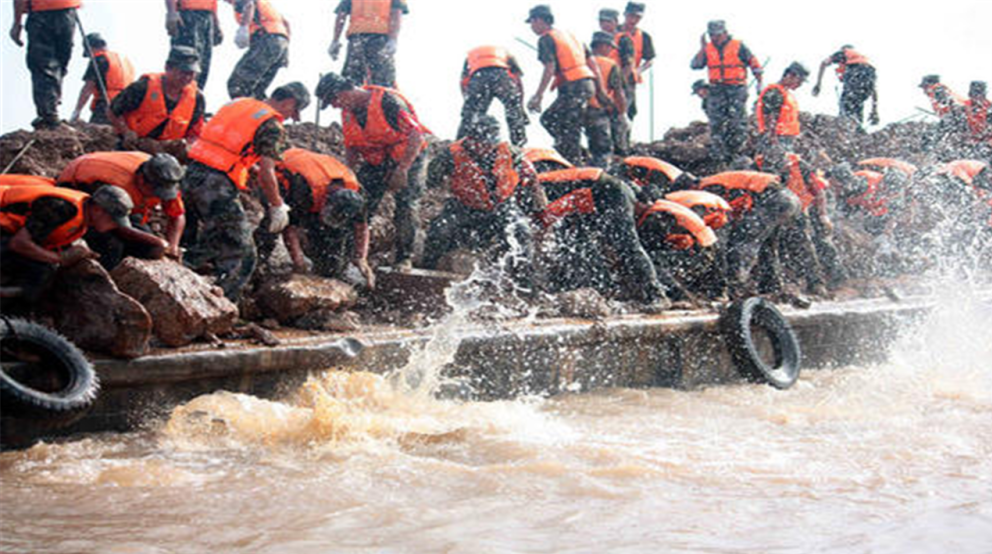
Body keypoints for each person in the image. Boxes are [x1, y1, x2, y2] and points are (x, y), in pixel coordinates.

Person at [182, 82, 309, 301]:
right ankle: (223, 309)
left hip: (191, 175)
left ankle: (178, 285)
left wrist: (248, 167)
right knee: (244, 254)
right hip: (216, 185)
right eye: (295, 111)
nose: (294, 118)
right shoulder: (271, 124)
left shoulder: (239, 104)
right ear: (289, 101)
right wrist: (277, 206)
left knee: (211, 240)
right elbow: (268, 172)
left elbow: (228, 146)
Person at [315, 73, 429, 270]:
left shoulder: (388, 101)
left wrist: (402, 169)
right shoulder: (348, 112)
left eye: (334, 100)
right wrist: (348, 177)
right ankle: (351, 256)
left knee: (406, 204)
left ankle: (404, 258)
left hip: (407, 157)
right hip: (376, 161)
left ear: (344, 91)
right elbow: (352, 147)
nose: (335, 105)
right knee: (359, 202)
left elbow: (415, 136)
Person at [531, 153, 670, 310]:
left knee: (626, 244)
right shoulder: (531, 187)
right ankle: (584, 288)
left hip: (606, 190)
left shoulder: (528, 187)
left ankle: (655, 296)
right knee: (575, 247)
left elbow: (539, 222)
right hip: (585, 201)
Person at [423, 115, 544, 289]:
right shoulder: (451, 153)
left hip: (503, 207)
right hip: (464, 207)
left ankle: (525, 285)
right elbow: (429, 180)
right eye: (483, 143)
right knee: (440, 230)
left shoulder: (511, 152)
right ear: (471, 140)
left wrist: (538, 206)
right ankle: (428, 275)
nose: (487, 148)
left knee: (522, 233)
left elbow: (531, 178)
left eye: (491, 143)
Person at [1, 181, 133, 308]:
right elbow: (18, 243)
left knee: (43, 271)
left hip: (8, 230)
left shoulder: (84, 211)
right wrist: (60, 257)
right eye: (113, 220)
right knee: (41, 270)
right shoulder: (62, 208)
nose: (115, 226)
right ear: (98, 210)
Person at [263, 148, 376, 288]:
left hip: (318, 176)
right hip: (283, 172)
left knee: (331, 253)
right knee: (272, 224)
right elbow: (289, 228)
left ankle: (326, 267)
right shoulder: (302, 189)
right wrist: (298, 261)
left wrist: (361, 258)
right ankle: (259, 265)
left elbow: (362, 227)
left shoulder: (357, 195)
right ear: (325, 201)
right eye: (328, 215)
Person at [57, 151, 185, 269]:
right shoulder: (112, 182)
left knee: (147, 248)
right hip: (81, 188)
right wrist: (159, 242)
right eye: (156, 192)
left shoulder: (165, 178)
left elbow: (177, 215)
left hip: (124, 202)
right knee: (111, 246)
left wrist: (172, 245)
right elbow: (118, 226)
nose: (159, 197)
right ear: (141, 180)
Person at [697, 169, 801, 298]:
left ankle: (737, 286)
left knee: (742, 242)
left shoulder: (708, 186)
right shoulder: (718, 179)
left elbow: (729, 207)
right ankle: (771, 284)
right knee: (766, 246)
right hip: (790, 200)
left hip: (775, 201)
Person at [525, 5, 602, 165]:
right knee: (552, 120)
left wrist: (538, 95)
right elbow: (592, 62)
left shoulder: (546, 39)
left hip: (574, 86)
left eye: (532, 22)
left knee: (568, 126)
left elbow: (550, 67)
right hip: (586, 84)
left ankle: (574, 161)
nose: (531, 26)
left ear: (539, 20)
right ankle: (572, 151)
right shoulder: (570, 36)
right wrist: (599, 89)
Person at [109, 46, 206, 159]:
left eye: (191, 73)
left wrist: (188, 146)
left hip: (168, 156)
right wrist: (126, 132)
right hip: (134, 148)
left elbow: (194, 132)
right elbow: (113, 110)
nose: (187, 77)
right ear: (167, 67)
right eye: (183, 72)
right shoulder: (143, 87)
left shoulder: (197, 99)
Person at [691, 20, 763, 167]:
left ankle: (736, 154)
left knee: (737, 122)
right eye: (711, 35)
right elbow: (695, 65)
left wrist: (759, 84)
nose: (714, 38)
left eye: (716, 35)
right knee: (716, 123)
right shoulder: (708, 48)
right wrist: (702, 48)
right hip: (717, 89)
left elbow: (754, 64)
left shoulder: (738, 45)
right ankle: (719, 158)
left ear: (724, 33)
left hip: (736, 88)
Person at [8, 0, 80, 130]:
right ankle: (51, 108)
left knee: (43, 65)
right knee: (59, 63)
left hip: (42, 14)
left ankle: (49, 117)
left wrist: (17, 23)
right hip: (67, 11)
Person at [457, 46, 528, 147]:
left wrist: (468, 103)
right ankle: (519, 144)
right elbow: (518, 82)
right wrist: (520, 108)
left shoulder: (470, 57)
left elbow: (463, 82)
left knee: (470, 116)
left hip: (479, 78)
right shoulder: (506, 54)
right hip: (501, 77)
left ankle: (460, 143)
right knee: (513, 111)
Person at [328, 0, 408, 88]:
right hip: (380, 41)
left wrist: (335, 40)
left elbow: (341, 16)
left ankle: (352, 95)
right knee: (383, 80)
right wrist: (393, 39)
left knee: (352, 80)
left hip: (357, 40)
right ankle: (382, 96)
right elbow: (396, 15)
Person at [226, 0, 289, 100]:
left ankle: (245, 112)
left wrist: (243, 27)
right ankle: (260, 111)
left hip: (267, 39)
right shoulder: (265, 3)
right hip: (280, 43)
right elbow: (286, 23)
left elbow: (248, 4)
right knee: (257, 90)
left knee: (238, 84)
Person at [755, 62, 809, 173]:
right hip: (775, 138)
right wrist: (772, 140)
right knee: (774, 171)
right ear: (790, 75)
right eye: (799, 81)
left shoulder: (785, 93)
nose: (800, 85)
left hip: (784, 138)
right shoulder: (774, 91)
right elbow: (769, 116)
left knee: (785, 171)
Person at [70, 33, 135, 125]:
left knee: (96, 135)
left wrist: (77, 111)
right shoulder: (125, 61)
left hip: (106, 105)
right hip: (126, 107)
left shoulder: (99, 59)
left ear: (91, 48)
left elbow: (88, 88)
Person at [586, 32, 628, 168]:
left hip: (577, 110)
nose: (611, 51)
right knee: (602, 150)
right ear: (603, 46)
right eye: (610, 47)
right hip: (597, 111)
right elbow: (619, 93)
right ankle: (600, 180)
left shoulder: (580, 61)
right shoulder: (610, 65)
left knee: (588, 147)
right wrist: (622, 114)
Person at [811, 45, 879, 126]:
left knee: (846, 103)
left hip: (856, 75)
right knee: (857, 103)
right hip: (868, 80)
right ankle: (857, 128)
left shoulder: (844, 53)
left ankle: (844, 127)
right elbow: (873, 90)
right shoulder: (864, 61)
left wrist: (818, 84)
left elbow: (824, 63)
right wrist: (874, 110)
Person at [166, 0, 224, 90]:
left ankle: (194, 98)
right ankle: (175, 98)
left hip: (207, 17)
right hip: (188, 16)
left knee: (202, 66)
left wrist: (216, 23)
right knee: (185, 63)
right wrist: (171, 13)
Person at [614, 2, 655, 123]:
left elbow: (650, 59)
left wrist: (639, 70)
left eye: (637, 17)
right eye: (631, 16)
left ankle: (625, 140)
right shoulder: (613, 31)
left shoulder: (644, 36)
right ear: (625, 14)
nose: (633, 20)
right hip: (610, 77)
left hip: (630, 80)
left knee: (628, 111)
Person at [919, 75, 968, 153]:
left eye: (924, 87)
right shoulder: (939, 90)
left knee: (932, 136)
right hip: (958, 116)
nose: (923, 91)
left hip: (957, 117)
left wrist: (953, 120)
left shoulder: (938, 90)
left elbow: (951, 105)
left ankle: (929, 151)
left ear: (929, 85)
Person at [964, 81, 991, 155]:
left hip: (987, 143)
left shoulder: (990, 108)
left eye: (980, 94)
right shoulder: (962, 108)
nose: (977, 97)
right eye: (975, 94)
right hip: (968, 143)